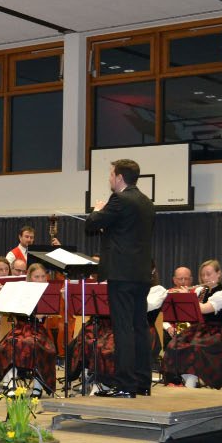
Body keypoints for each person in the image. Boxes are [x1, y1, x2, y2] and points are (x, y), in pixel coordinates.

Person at [84, 158, 155, 398]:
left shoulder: (119, 199)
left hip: (121, 274)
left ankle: (125, 384)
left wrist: (97, 209)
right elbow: (128, 232)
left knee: (123, 327)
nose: (110, 179)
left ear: (120, 177)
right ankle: (143, 382)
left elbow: (91, 224)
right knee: (139, 326)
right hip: (141, 273)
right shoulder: (147, 202)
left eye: (111, 175)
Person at [160, 260, 222, 389]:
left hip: (218, 333)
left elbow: (204, 309)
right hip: (199, 329)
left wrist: (187, 296)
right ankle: (185, 381)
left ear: (219, 274)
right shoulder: (200, 291)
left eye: (209, 274)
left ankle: (191, 384)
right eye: (203, 275)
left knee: (194, 348)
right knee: (174, 345)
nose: (205, 278)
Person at [0, 263, 57, 396]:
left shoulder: (49, 292)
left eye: (43, 276)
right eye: (36, 277)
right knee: (10, 343)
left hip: (38, 329)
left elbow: (39, 316)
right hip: (20, 328)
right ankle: (11, 384)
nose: (40, 280)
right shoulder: (21, 290)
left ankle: (37, 386)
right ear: (29, 278)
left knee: (36, 345)